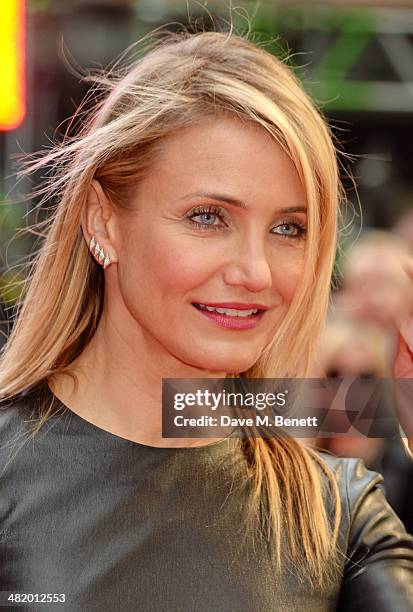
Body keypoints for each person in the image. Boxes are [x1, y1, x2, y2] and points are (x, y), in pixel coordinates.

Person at [0, 28, 412, 611]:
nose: (257, 272)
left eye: (288, 229)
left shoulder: (336, 514)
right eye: (208, 217)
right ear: (103, 220)